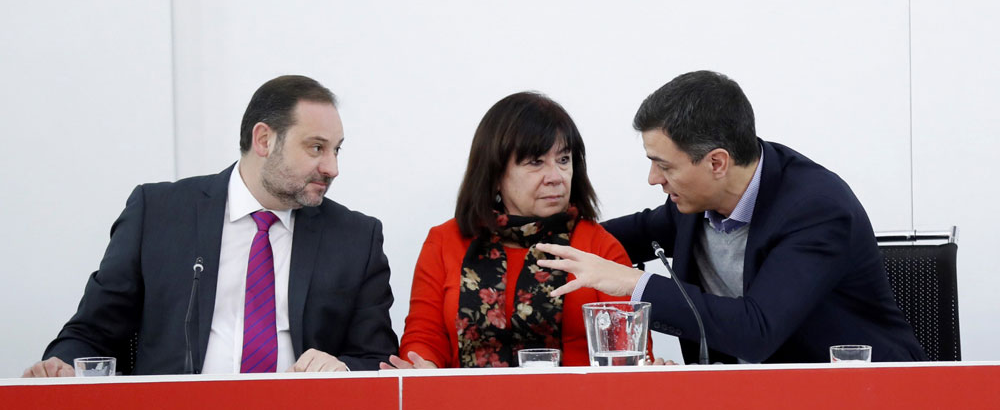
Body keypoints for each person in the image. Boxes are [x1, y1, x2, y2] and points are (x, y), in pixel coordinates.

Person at [536, 71, 926, 363]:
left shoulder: (817, 210)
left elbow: (755, 331)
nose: (654, 179)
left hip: (860, 393)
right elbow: (608, 239)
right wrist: (519, 236)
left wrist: (634, 283)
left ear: (716, 162)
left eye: (664, 166)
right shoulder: (693, 204)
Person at [24, 75, 397, 377]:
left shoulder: (355, 238)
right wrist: (62, 368)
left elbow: (377, 358)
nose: (332, 167)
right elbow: (92, 333)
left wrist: (343, 368)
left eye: (337, 150)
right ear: (264, 140)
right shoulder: (158, 214)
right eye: (317, 148)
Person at [386, 92, 637, 369]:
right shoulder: (444, 241)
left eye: (564, 160)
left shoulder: (600, 247)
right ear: (495, 174)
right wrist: (424, 367)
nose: (556, 177)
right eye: (536, 162)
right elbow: (424, 338)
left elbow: (628, 352)